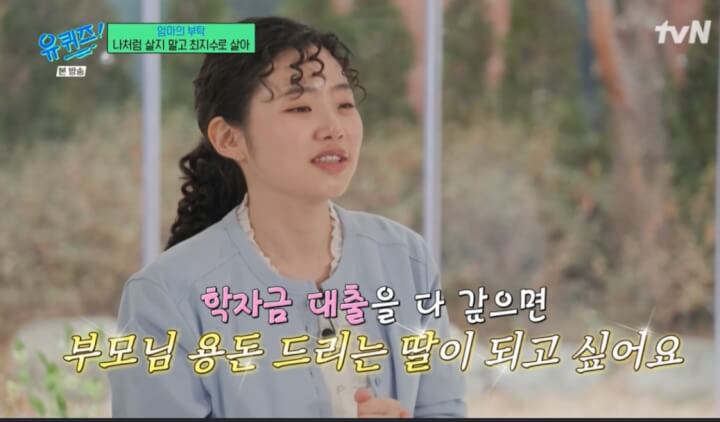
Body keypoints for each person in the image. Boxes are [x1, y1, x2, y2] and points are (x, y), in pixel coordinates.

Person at [108, 15, 466, 418]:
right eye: (300, 107)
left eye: (344, 104)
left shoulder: (405, 259)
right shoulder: (165, 297)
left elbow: (443, 410)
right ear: (229, 138)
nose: (334, 128)